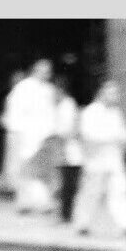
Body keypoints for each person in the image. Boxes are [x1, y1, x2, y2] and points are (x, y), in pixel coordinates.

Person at [72, 81, 126, 237]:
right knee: (90, 193)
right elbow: (89, 135)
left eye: (116, 93)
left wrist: (120, 137)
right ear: (101, 93)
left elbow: (124, 134)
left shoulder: (115, 113)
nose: (115, 97)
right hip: (95, 160)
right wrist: (112, 136)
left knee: (120, 191)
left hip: (114, 160)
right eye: (111, 93)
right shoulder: (90, 112)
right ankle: (82, 223)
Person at [1, 59, 58, 214]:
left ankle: (40, 202)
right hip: (25, 135)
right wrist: (18, 134)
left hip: (44, 136)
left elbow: (51, 113)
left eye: (48, 71)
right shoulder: (23, 88)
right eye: (43, 70)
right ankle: (27, 203)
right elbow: (15, 113)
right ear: (35, 70)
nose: (46, 74)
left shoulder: (49, 89)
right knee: (25, 171)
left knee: (42, 173)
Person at [53, 75, 83, 223]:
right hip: (65, 149)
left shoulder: (67, 105)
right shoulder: (61, 105)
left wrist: (62, 145)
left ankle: (66, 214)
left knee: (68, 184)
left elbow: (69, 129)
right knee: (66, 184)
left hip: (69, 150)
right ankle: (65, 214)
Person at [0, 70, 26, 197]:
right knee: (12, 160)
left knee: (15, 161)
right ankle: (11, 186)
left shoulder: (19, 94)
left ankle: (13, 188)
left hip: (17, 131)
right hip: (13, 130)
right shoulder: (14, 94)